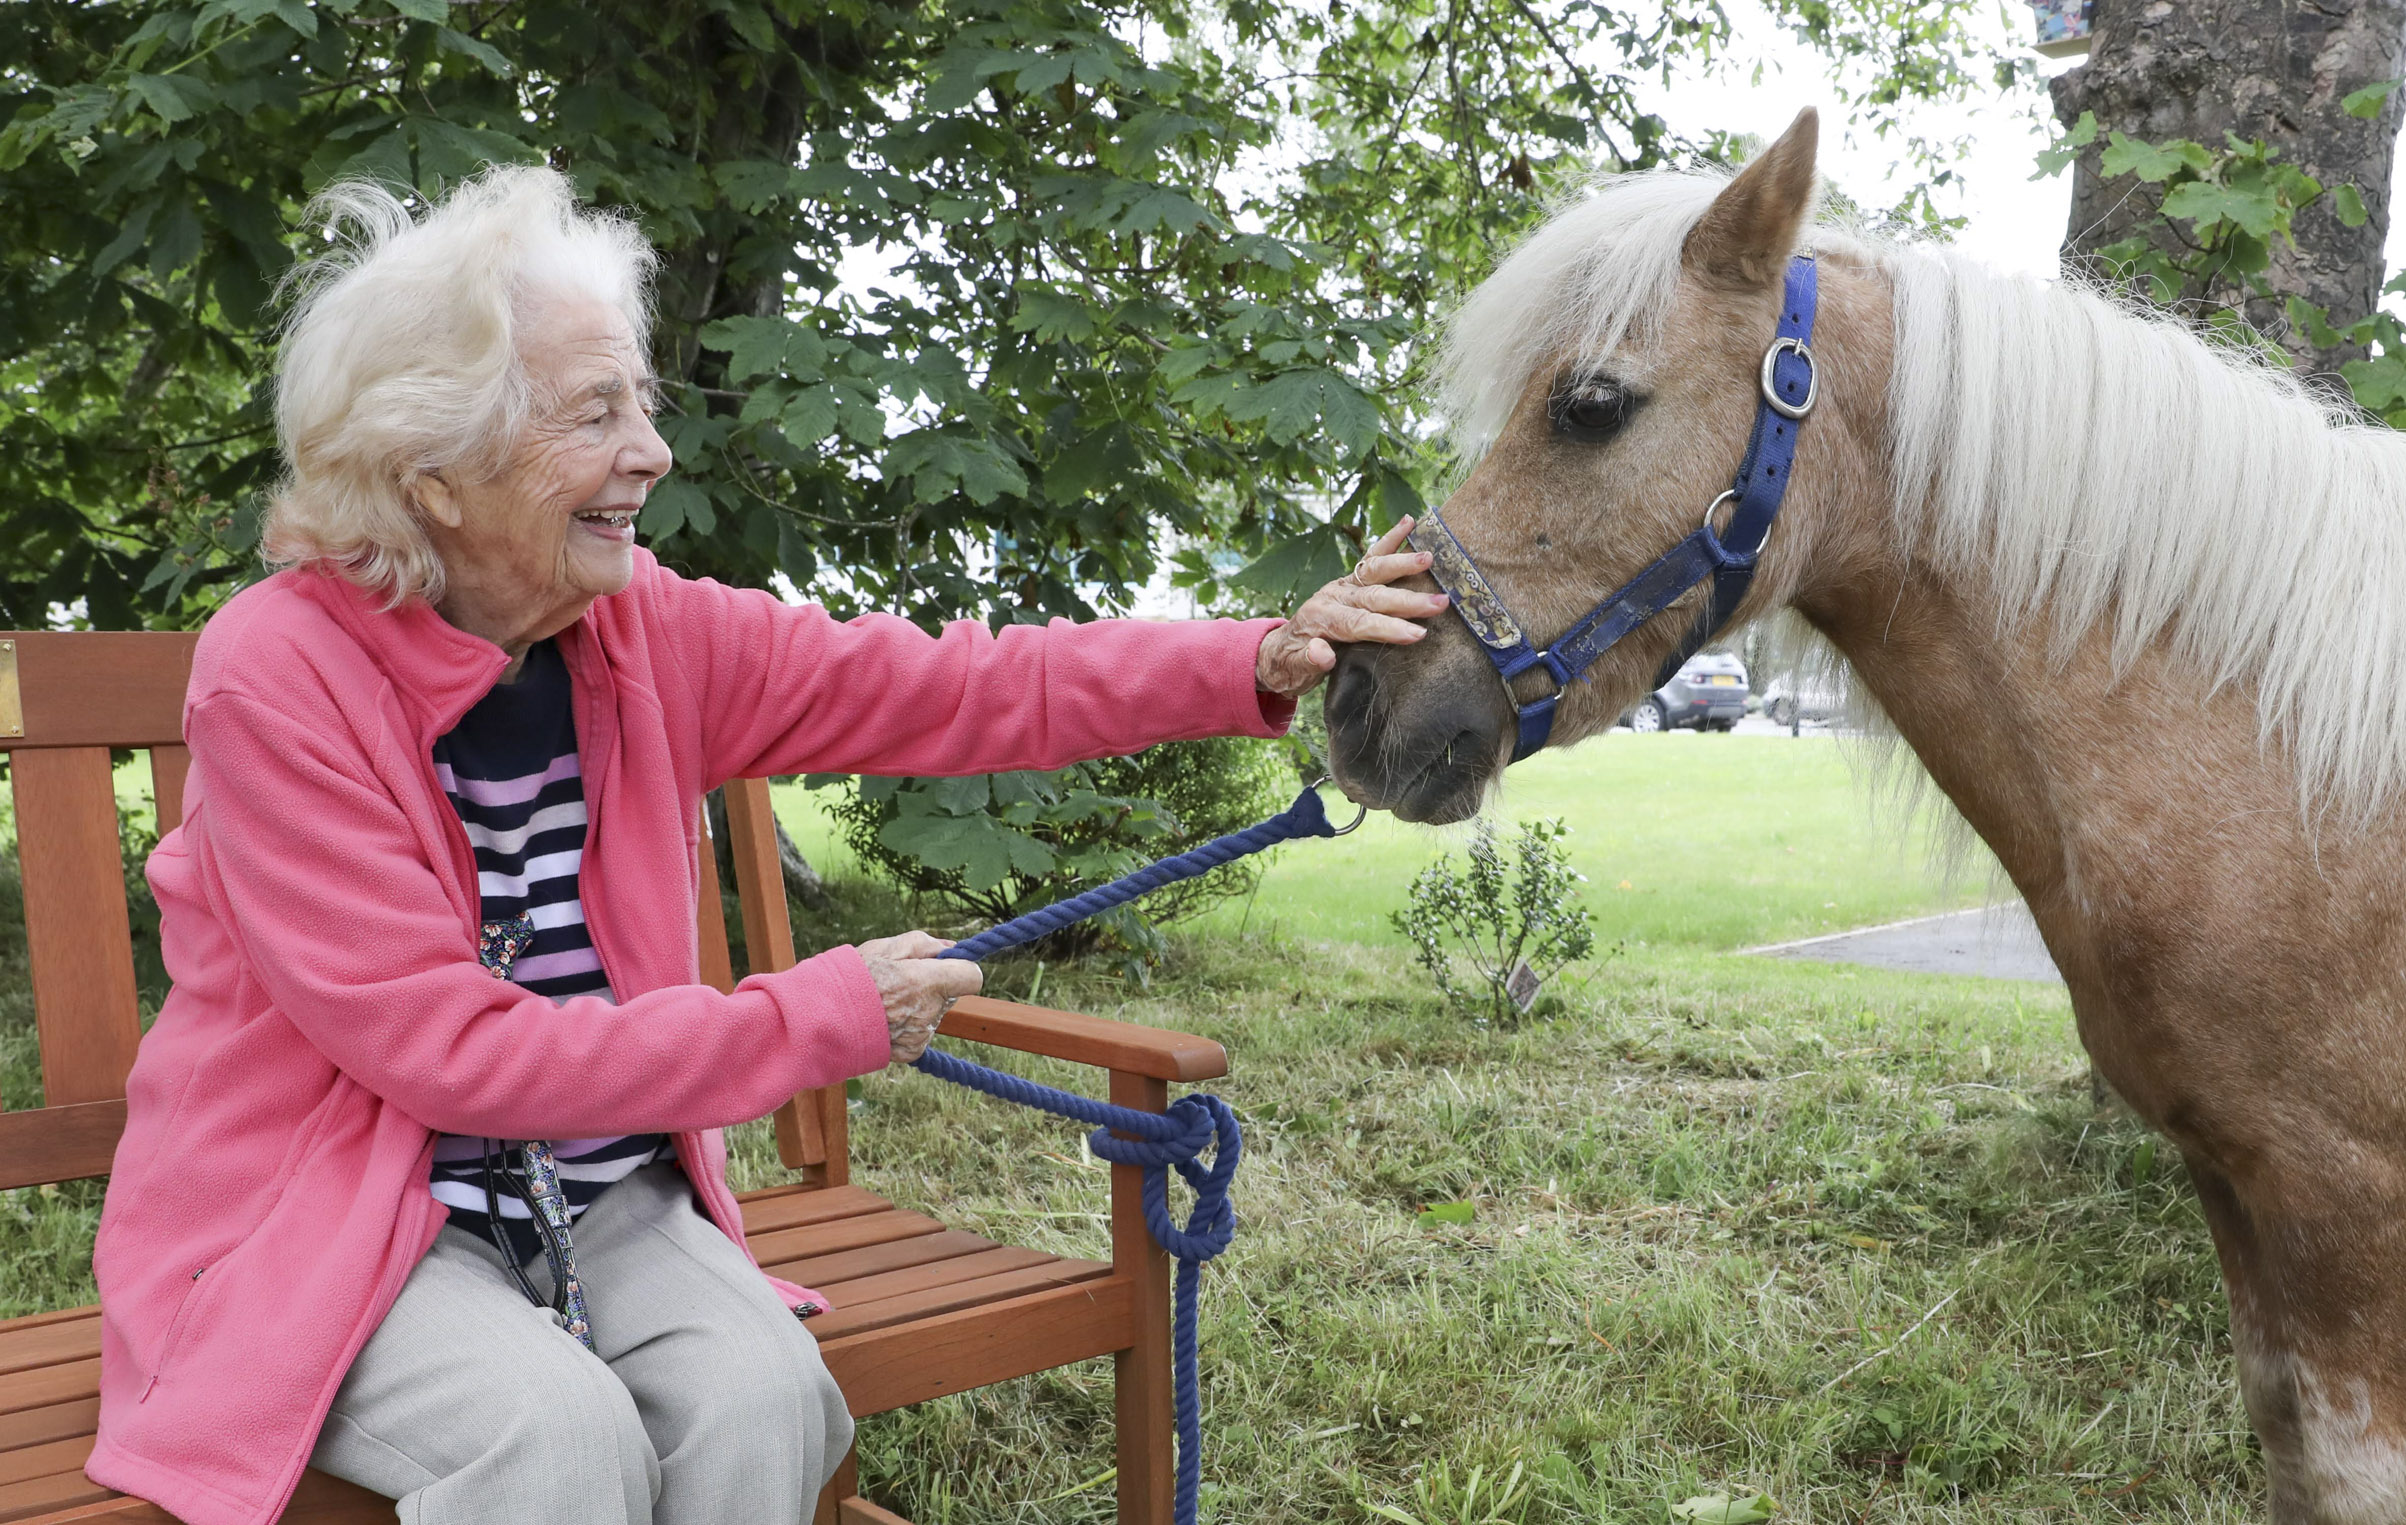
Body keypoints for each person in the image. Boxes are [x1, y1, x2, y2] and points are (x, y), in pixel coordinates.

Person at [82, 166, 1448, 1525]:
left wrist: (1251, 654)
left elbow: (953, 685)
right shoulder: (276, 674)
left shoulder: (638, 630)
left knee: (767, 1399)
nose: (652, 451)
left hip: (599, 1189)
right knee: (552, 1443)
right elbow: (449, 1052)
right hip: (324, 1223)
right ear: (435, 473)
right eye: (595, 413)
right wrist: (818, 1015)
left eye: (643, 402)